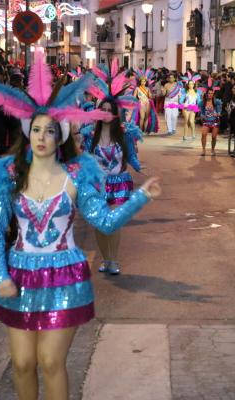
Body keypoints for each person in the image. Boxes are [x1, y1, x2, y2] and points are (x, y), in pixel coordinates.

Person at [0, 49, 161, 400]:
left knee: (49, 361)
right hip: (19, 275)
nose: (42, 137)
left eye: (50, 130)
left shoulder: (78, 175)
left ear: (61, 136)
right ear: (27, 133)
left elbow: (105, 222)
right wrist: (0, 274)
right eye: (36, 130)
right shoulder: (10, 175)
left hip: (65, 276)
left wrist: (140, 197)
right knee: (22, 363)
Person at [85, 58, 144, 275]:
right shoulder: (90, 135)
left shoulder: (124, 133)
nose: (107, 115)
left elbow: (130, 156)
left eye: (111, 111)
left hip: (118, 182)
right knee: (100, 224)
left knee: (114, 222)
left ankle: (114, 259)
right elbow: (84, 161)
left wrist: (138, 168)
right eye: (104, 110)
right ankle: (105, 258)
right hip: (97, 185)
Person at [198, 78, 222, 156]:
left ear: (213, 94)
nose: (210, 95)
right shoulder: (202, 102)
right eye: (209, 93)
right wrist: (201, 115)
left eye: (211, 93)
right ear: (206, 94)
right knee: (203, 134)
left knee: (214, 137)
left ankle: (212, 150)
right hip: (206, 121)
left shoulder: (216, 101)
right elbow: (201, 111)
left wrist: (218, 113)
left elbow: (219, 110)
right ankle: (203, 150)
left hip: (215, 121)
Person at [133, 69, 159, 134]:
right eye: (142, 81)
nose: (143, 83)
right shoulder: (137, 88)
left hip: (147, 103)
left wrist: (152, 95)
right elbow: (134, 97)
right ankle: (140, 130)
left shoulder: (147, 89)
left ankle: (144, 130)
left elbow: (150, 96)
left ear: (146, 82)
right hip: (141, 103)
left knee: (146, 117)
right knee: (142, 117)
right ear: (140, 82)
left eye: (144, 81)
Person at [180, 72, 201, 141]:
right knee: (186, 120)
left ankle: (193, 134)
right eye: (189, 84)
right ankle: (185, 136)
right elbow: (181, 100)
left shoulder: (197, 92)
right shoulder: (185, 91)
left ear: (194, 84)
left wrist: (199, 106)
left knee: (191, 121)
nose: (191, 85)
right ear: (187, 84)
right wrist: (182, 104)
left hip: (193, 108)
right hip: (186, 108)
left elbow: (199, 101)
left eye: (192, 84)